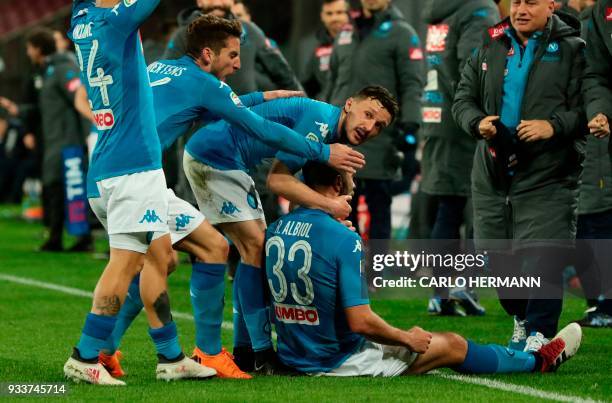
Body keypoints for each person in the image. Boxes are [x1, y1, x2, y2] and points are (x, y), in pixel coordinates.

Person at [97, 14, 365, 379]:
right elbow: (259, 131)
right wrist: (322, 154)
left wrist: (260, 97)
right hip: (134, 176)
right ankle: (227, 352)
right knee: (221, 249)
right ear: (208, 54)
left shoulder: (164, 67)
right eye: (233, 55)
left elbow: (214, 104)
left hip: (114, 169)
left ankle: (108, 350)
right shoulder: (209, 85)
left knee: (185, 255)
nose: (239, 64)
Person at [264, 161, 582, 376]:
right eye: (351, 177)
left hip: (292, 353)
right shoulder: (344, 239)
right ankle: (538, 361)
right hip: (338, 361)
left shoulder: (277, 228)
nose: (354, 184)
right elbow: (360, 322)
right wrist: (405, 337)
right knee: (452, 345)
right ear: (337, 182)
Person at [183, 85, 395, 374]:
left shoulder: (332, 130)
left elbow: (311, 180)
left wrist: (333, 197)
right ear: (348, 105)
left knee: (254, 249)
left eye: (379, 125)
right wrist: (330, 208)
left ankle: (247, 350)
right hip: (214, 156)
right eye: (367, 114)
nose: (369, 126)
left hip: (227, 160)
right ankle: (257, 351)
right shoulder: (320, 122)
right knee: (255, 247)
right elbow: (278, 181)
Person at [63, 0, 216, 385]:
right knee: (126, 263)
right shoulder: (118, 21)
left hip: (112, 162)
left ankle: (171, 357)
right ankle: (85, 355)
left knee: (162, 258)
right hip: (133, 168)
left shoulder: (82, 20)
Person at [453, 0, 587, 350]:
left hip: (549, 172)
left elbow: (590, 107)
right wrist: (475, 121)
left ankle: (540, 335)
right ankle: (522, 318)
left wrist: (552, 127)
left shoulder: (574, 48)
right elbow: (462, 98)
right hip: (493, 173)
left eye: (531, 2)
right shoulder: (489, 42)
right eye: (516, 1)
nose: (521, 9)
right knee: (501, 267)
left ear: (551, 5)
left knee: (546, 254)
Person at [324, 0, 424, 285]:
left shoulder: (402, 33)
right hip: (340, 135)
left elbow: (412, 83)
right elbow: (333, 80)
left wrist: (410, 129)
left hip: (379, 137)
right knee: (344, 202)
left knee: (379, 203)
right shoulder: (346, 31)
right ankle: (347, 266)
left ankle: (377, 271)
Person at [419, 0, 500, 316]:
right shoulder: (479, 9)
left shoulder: (439, 9)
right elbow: (476, 67)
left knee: (447, 208)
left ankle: (440, 294)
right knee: (480, 207)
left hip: (437, 116)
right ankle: (463, 286)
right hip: (466, 121)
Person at [165, 0, 302, 94]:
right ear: (199, 1)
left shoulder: (250, 30)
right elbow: (167, 79)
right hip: (201, 127)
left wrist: (308, 109)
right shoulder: (183, 35)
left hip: (246, 125)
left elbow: (285, 76)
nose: (217, 2)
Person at [578, 0, 612, 326]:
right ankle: (599, 302)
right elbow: (596, 74)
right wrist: (599, 111)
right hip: (591, 133)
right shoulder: (599, 14)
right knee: (588, 217)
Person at [299, 0, 349, 100]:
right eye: (329, 14)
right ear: (322, 16)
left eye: (339, 12)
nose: (334, 18)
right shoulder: (317, 49)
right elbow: (307, 86)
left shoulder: (359, 42)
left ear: (349, 14)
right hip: (330, 110)